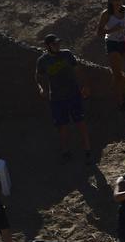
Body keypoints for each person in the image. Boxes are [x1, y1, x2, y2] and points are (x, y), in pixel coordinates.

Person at [34, 33, 92, 162]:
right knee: (62, 126)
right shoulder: (43, 61)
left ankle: (87, 149)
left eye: (58, 43)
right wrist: (41, 88)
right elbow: (38, 76)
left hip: (73, 94)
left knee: (80, 122)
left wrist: (85, 85)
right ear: (48, 46)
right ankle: (65, 150)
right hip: (57, 98)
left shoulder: (67, 54)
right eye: (54, 44)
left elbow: (78, 70)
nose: (57, 45)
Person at [96, 0, 125, 107]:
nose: (118, 2)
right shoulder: (107, 14)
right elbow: (99, 32)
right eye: (115, 0)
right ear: (110, 1)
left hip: (124, 42)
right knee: (117, 74)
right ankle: (120, 100)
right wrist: (113, 29)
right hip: (112, 42)